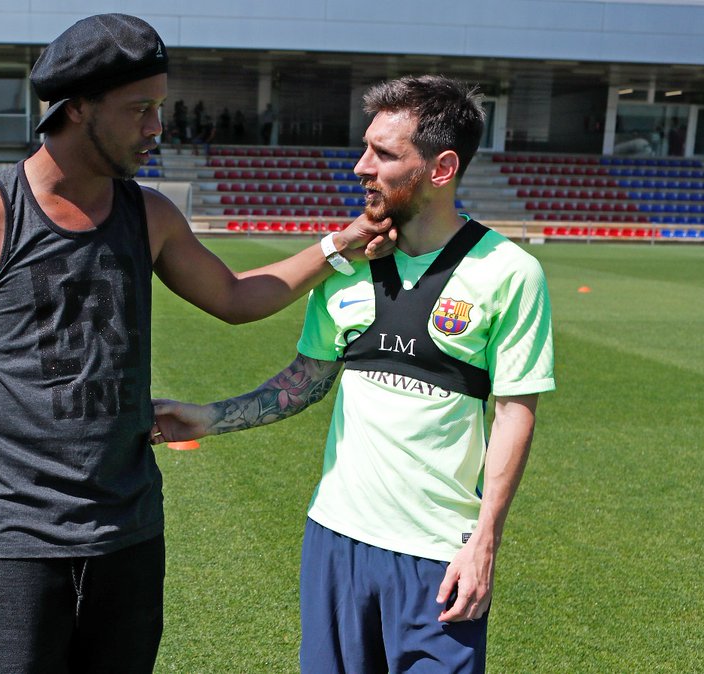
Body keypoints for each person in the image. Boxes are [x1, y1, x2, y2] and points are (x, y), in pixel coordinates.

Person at [0, 13, 394, 673]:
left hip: (128, 530)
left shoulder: (149, 214)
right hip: (18, 534)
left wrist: (338, 246)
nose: (157, 127)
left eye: (160, 107)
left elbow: (237, 297)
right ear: (76, 110)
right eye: (141, 110)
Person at [154, 75, 555, 673]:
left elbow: (514, 411)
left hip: (438, 555)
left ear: (441, 167)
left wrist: (484, 541)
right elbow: (307, 380)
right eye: (365, 147)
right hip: (335, 539)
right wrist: (209, 418)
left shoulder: (510, 273)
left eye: (385, 154)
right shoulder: (345, 269)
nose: (362, 166)